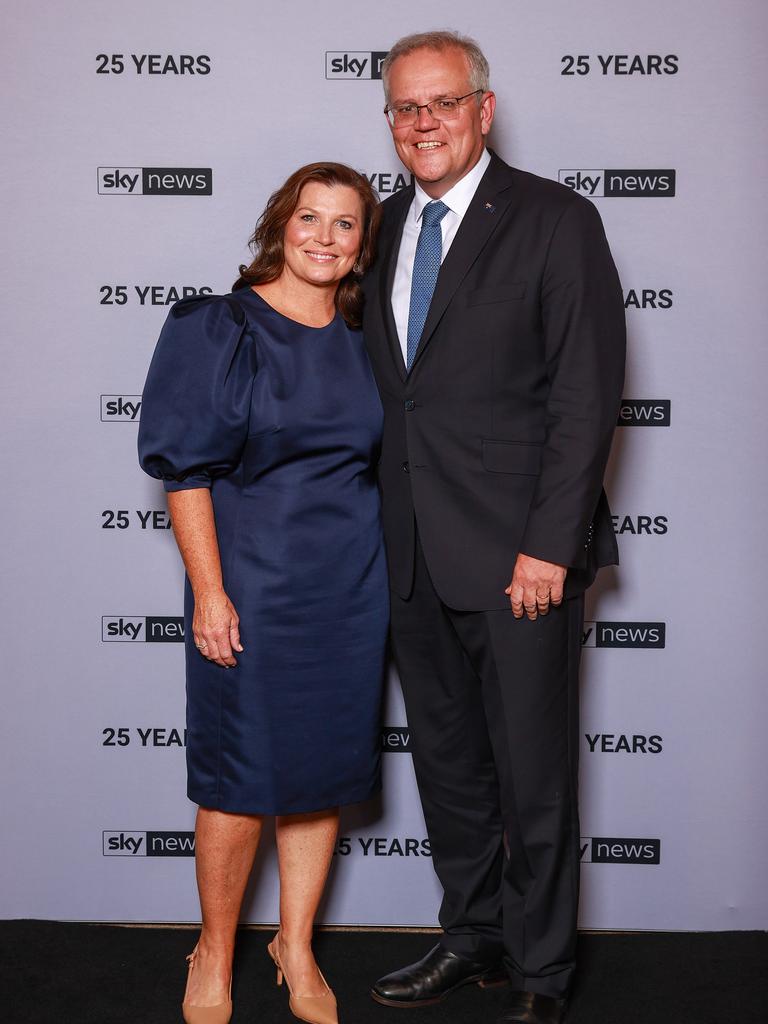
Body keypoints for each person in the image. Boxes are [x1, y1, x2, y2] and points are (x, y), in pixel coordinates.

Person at [363, 31, 626, 1024]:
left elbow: (585, 393)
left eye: (439, 103)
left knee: (535, 778)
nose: (420, 124)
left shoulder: (557, 220)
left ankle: (544, 969)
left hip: (523, 557)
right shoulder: (380, 227)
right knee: (450, 769)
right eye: (402, 108)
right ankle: (473, 933)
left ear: (484, 108)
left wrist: (550, 545)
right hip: (409, 555)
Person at [137, 162, 385, 1024]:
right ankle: (213, 948)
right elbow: (185, 472)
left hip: (351, 586)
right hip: (250, 584)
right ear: (280, 226)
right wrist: (210, 593)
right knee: (239, 781)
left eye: (345, 224)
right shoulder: (221, 327)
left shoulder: (369, 338)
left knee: (319, 778)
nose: (324, 237)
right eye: (308, 218)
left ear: (363, 246)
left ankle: (296, 945)